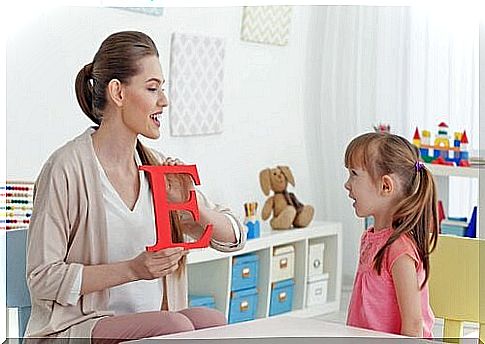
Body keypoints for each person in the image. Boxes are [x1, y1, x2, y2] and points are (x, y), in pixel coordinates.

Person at [25, 31, 246, 342]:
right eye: (152, 88)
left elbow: (234, 238)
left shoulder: (158, 167)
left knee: (213, 321)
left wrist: (190, 203)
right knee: (175, 328)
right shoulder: (66, 169)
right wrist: (132, 269)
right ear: (118, 92)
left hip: (153, 321)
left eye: (162, 89)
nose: (164, 100)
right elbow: (42, 279)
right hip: (80, 326)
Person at [343, 132, 438, 338]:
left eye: (354, 174)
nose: (347, 184)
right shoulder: (370, 237)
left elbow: (413, 324)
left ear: (385, 186)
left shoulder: (399, 249)